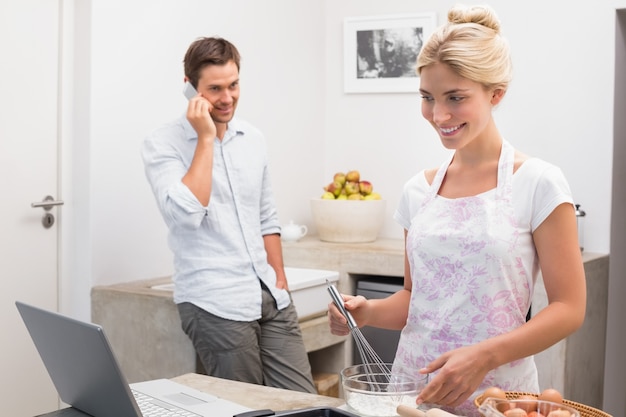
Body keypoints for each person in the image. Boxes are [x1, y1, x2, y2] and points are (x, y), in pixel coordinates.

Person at [328, 5, 586, 416]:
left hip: (499, 398)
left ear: (495, 94)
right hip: (414, 394)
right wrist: (368, 311)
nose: (438, 115)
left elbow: (569, 308)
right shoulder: (419, 190)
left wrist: (484, 356)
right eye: (427, 98)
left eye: (455, 98)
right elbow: (417, 298)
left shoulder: (539, 183)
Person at [142, 36, 316, 394]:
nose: (227, 98)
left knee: (303, 402)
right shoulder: (163, 143)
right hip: (214, 301)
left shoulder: (252, 138)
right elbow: (186, 214)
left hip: (269, 294)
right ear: (189, 88)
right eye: (215, 89)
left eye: (234, 85)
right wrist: (206, 139)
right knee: (246, 408)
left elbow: (266, 214)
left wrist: (278, 273)